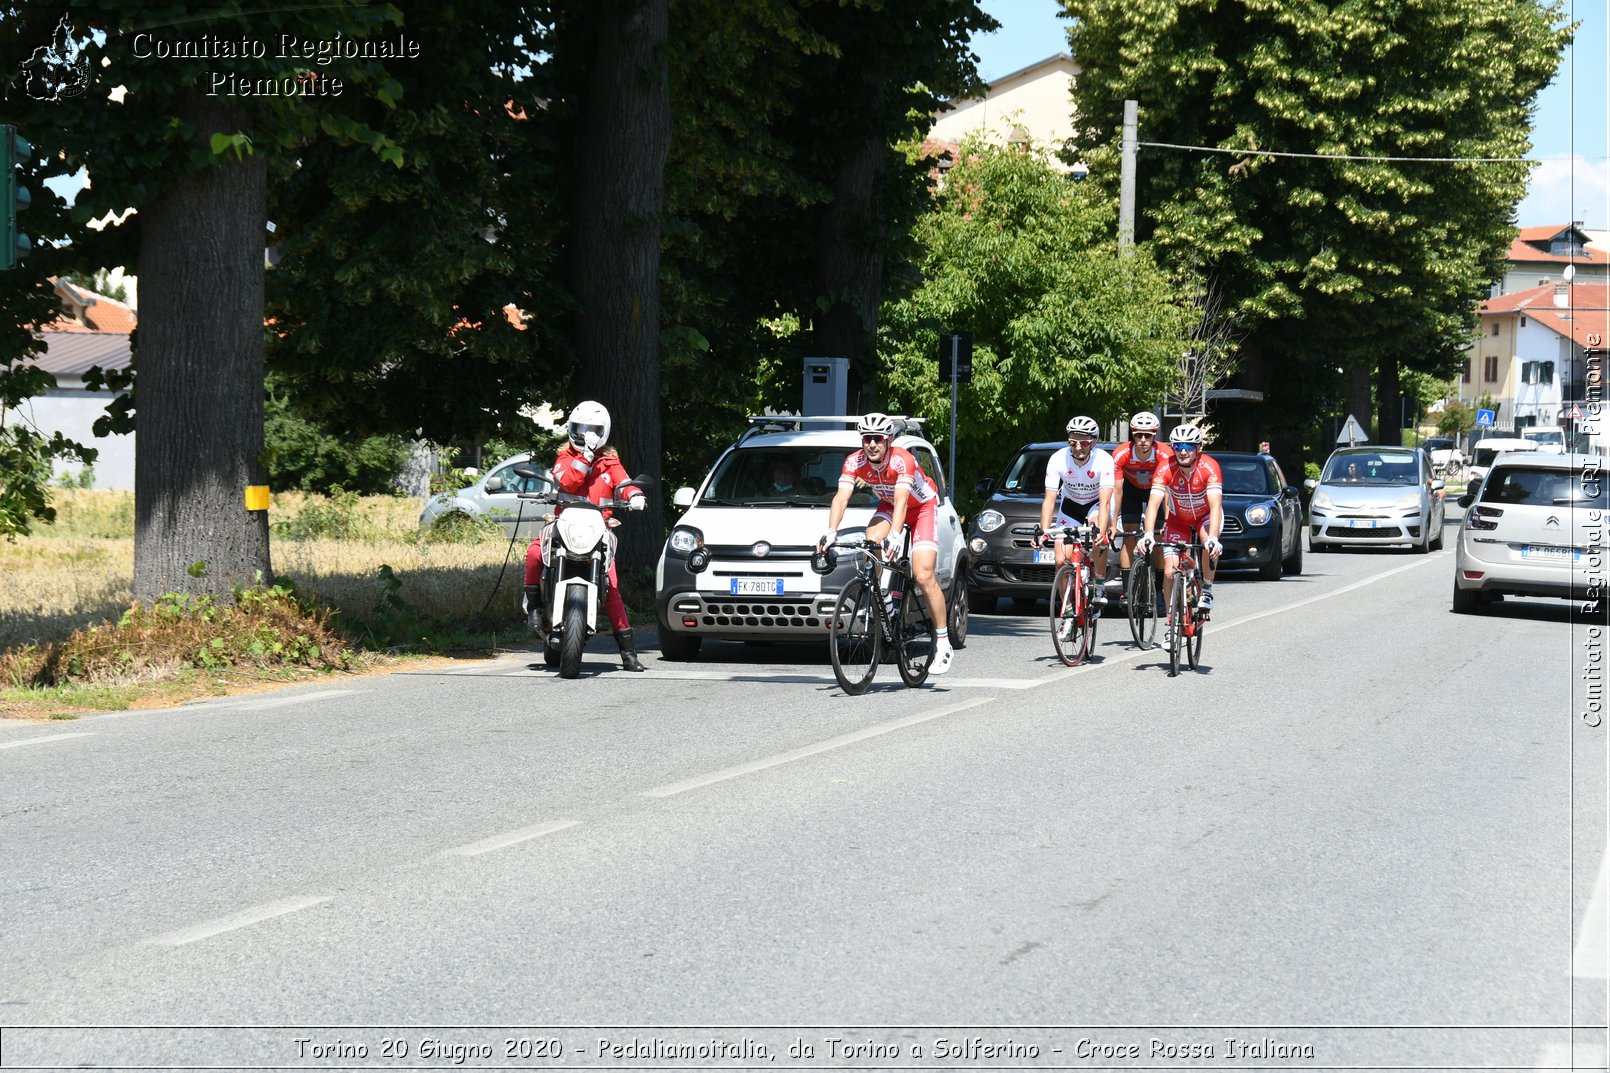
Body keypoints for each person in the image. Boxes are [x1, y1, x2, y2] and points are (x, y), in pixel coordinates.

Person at [817, 413, 953, 675]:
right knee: (871, 543)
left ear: (888, 440)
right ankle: (884, 600)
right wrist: (831, 531)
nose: (872, 444)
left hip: (921, 508)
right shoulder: (854, 461)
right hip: (890, 506)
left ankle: (943, 643)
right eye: (867, 439)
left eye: (877, 439)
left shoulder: (902, 460)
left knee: (924, 575)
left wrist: (897, 534)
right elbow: (841, 498)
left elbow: (903, 500)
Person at [522, 400, 648, 672]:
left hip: (598, 529)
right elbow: (568, 482)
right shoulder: (564, 457)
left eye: (592, 430)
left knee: (612, 587)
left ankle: (628, 652)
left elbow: (624, 483)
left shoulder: (609, 461)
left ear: (603, 432)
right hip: (563, 523)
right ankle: (534, 608)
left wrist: (635, 495)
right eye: (579, 429)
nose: (585, 435)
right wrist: (585, 454)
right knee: (534, 553)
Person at [1137, 424, 1224, 625]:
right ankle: (1171, 619)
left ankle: (1208, 590)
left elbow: (1215, 504)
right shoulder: (1165, 467)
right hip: (1178, 521)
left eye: (1188, 445)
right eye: (1177, 446)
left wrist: (1213, 538)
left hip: (1206, 516)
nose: (1183, 451)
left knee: (1207, 542)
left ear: (1198, 447)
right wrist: (1148, 533)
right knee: (1169, 572)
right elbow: (1153, 503)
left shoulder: (1209, 467)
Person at [1036, 415, 1116, 607]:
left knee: (1097, 533)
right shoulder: (1058, 459)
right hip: (1071, 506)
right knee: (1061, 560)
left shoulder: (1103, 460)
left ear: (1094, 442)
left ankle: (1098, 582)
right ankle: (1068, 608)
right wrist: (1043, 531)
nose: (1078, 447)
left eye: (1084, 442)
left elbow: (1105, 502)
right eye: (1073, 441)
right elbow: (1049, 499)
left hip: (1096, 504)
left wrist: (1103, 532)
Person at [1109, 411, 1173, 592]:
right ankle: (1128, 591)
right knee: (1129, 538)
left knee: (1160, 540)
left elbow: (1168, 489)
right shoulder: (1121, 453)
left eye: (1147, 435)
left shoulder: (1164, 453)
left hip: (1157, 491)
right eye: (1138, 435)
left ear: (1154, 436)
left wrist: (1167, 520)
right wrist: (1113, 524)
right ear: (1133, 435)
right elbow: (1118, 491)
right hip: (1131, 491)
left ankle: (1160, 591)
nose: (1143, 439)